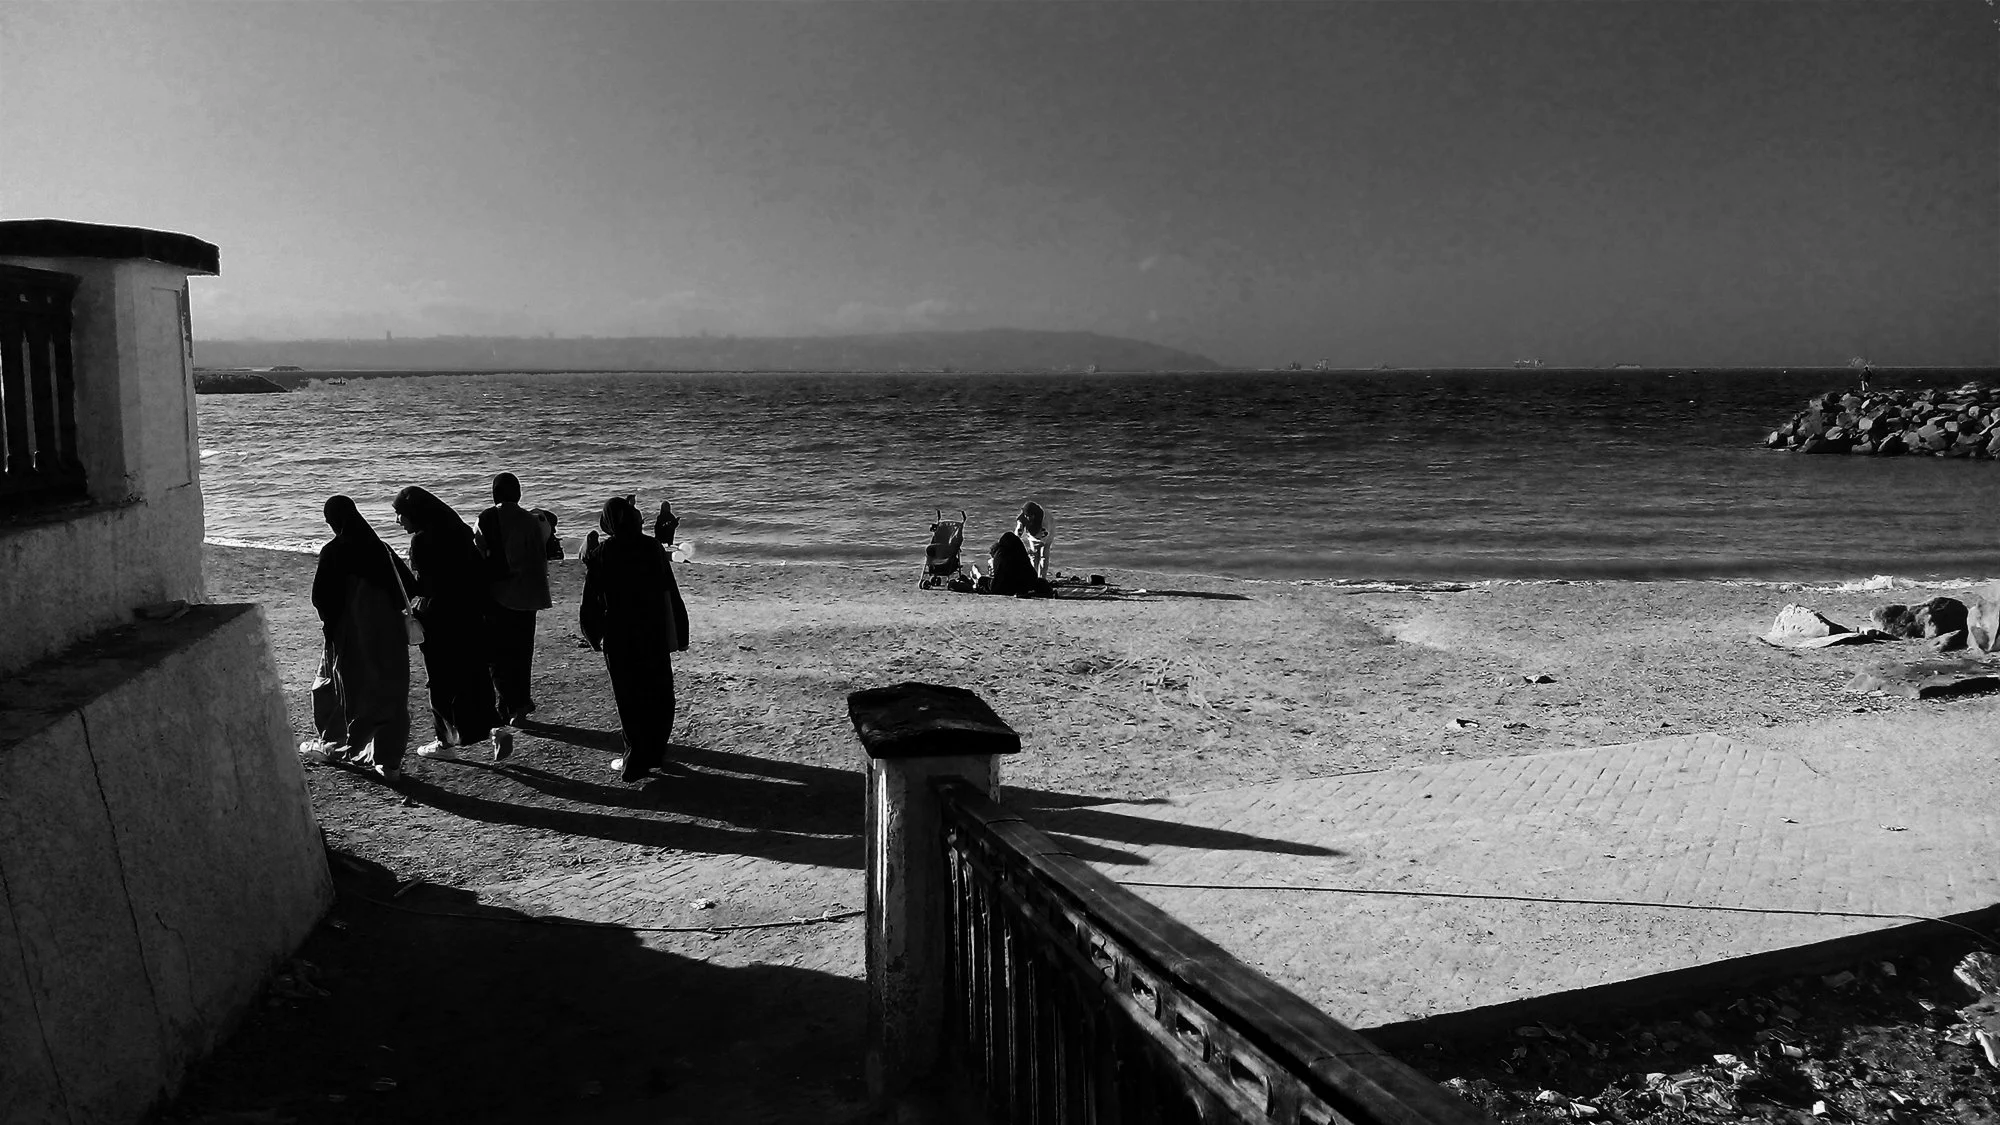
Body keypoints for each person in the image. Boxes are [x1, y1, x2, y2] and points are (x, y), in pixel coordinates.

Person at [393, 485, 507, 761]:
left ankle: (444, 742)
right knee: (474, 674)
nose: (398, 521)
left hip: (439, 618)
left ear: (414, 513)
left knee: (440, 681)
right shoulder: (459, 532)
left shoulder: (422, 542)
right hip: (468, 614)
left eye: (400, 514)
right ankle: (496, 730)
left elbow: (424, 587)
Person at [581, 497, 690, 782]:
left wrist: (592, 634)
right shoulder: (651, 547)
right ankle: (655, 753)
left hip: (619, 634)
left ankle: (635, 759)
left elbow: (592, 601)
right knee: (658, 692)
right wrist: (680, 631)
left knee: (629, 697)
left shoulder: (602, 553)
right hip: (653, 629)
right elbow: (670, 590)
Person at [308, 495, 415, 782]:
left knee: (336, 690)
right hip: (389, 636)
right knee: (390, 695)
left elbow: (321, 599)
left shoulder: (333, 551)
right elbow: (409, 586)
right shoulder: (381, 549)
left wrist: (334, 626)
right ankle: (389, 763)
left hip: (349, 637)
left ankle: (337, 745)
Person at [477, 473, 553, 725]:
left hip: (498, 594)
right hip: (529, 595)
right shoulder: (533, 521)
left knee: (497, 655)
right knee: (522, 653)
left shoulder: (486, 518)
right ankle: (518, 706)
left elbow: (478, 550)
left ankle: (508, 704)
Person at [987, 530, 1055, 597]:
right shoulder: (1020, 553)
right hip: (1027, 584)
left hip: (1010, 587)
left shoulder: (1000, 554)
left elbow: (996, 585)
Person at [1013, 501, 1053, 579]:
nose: (1027, 518)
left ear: (1034, 515)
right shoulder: (1022, 518)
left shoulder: (1044, 520)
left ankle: (1042, 578)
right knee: (1033, 558)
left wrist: (1035, 549)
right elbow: (1018, 531)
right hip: (1032, 535)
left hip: (1047, 534)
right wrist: (1015, 542)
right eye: (1026, 515)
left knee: (1043, 556)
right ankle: (1033, 578)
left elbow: (1045, 537)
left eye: (1029, 516)